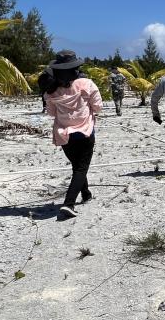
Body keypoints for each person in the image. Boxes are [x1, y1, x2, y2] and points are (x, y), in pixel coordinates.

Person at [43, 50, 103, 219]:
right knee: (81, 168)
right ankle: (69, 204)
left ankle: (86, 193)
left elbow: (51, 113)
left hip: (63, 133)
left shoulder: (51, 89)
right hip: (84, 131)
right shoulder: (86, 83)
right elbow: (98, 106)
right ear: (75, 67)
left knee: (77, 166)